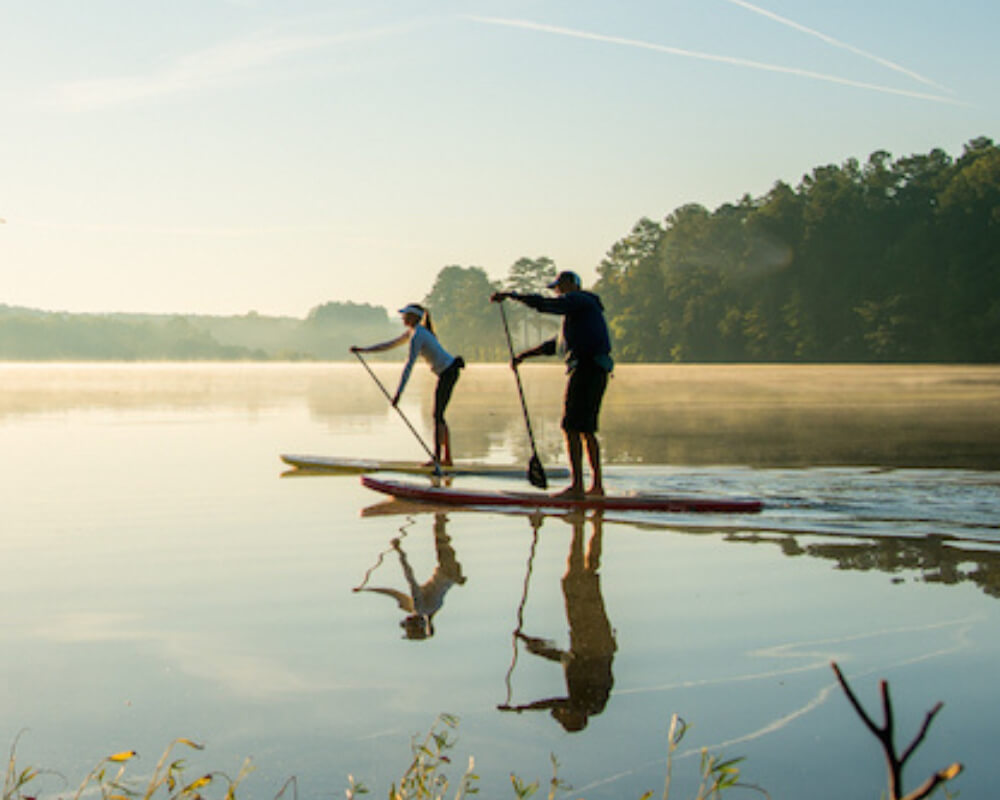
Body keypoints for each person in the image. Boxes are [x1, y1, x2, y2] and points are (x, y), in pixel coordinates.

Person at [491, 271, 613, 498]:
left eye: (558, 287)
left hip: (587, 369)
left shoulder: (580, 300)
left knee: (572, 427)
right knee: (585, 429)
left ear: (569, 285)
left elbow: (545, 305)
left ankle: (578, 488)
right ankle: (596, 487)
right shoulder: (578, 314)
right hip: (593, 370)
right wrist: (524, 356)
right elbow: (554, 345)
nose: (557, 292)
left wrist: (512, 295)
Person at [497, 512, 616, 731]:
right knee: (577, 578)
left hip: (596, 641)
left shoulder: (589, 701)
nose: (562, 711)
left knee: (585, 577)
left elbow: (558, 656)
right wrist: (523, 708)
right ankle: (582, 528)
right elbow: (554, 699)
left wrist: (528, 643)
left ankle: (592, 527)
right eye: (564, 715)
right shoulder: (586, 703)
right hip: (591, 639)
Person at [351, 303, 464, 466]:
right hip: (448, 373)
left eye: (405, 315)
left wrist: (398, 394)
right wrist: (363, 350)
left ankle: (439, 459)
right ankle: (445, 458)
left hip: (449, 372)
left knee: (437, 416)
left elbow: (409, 366)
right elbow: (389, 345)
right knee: (439, 416)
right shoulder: (414, 332)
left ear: (413, 317)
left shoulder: (418, 335)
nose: (402, 318)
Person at [353, 514, 467, 640]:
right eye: (407, 625)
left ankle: (443, 511)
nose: (405, 622)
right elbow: (410, 577)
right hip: (448, 571)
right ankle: (442, 508)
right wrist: (399, 550)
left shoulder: (425, 611)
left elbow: (393, 593)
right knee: (440, 533)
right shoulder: (419, 606)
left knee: (441, 534)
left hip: (452, 574)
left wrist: (367, 589)